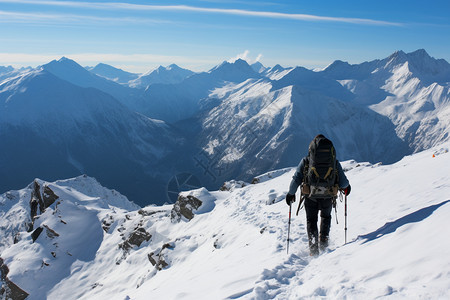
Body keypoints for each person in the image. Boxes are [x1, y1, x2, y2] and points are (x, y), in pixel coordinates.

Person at [286, 134, 350, 256]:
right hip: (328, 194)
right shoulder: (334, 162)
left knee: (311, 220)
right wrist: (347, 188)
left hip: (311, 195)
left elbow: (296, 178)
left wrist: (291, 193)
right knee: (326, 217)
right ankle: (324, 243)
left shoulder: (306, 161)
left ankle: (313, 249)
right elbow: (343, 182)